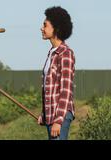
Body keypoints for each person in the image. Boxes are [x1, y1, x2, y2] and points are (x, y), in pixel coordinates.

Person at [37, 6, 75, 140]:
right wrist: (44, 114)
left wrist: (58, 121)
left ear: (56, 28)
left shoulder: (65, 53)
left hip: (61, 115)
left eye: (45, 25)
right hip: (51, 115)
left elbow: (66, 90)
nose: (41, 28)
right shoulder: (52, 53)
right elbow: (49, 89)